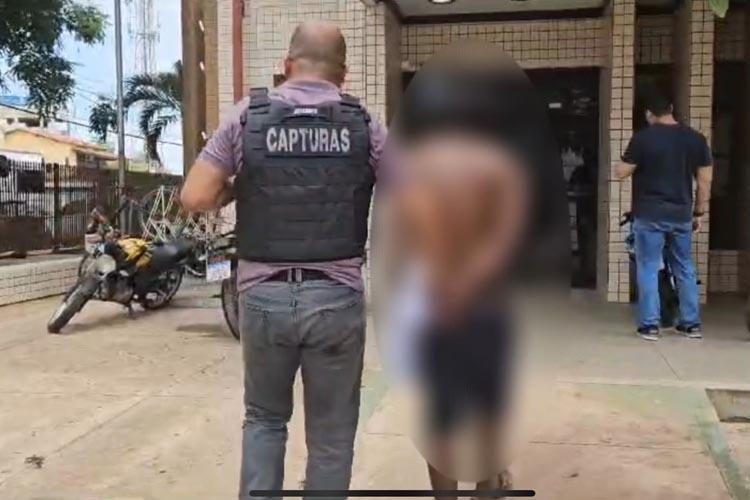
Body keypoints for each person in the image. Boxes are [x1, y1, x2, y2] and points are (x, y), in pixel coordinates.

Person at [180, 21, 386, 500]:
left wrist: (239, 187)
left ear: (287, 65)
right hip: (336, 298)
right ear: (343, 74)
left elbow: (194, 196)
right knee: (331, 438)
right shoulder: (364, 124)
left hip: (263, 298)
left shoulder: (246, 118)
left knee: (264, 421)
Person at [376, 42, 569, 500]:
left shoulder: (413, 168)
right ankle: (488, 485)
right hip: (486, 303)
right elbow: (511, 242)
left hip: (433, 301)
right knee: (488, 412)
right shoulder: (500, 166)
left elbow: (396, 243)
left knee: (440, 417)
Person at [616, 96, 713, 341]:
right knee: (685, 266)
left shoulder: (643, 138)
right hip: (681, 214)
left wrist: (636, 161)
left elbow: (621, 172)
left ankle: (650, 325)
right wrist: (698, 212)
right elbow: (705, 180)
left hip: (649, 214)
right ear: (671, 109)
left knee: (648, 267)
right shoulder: (696, 139)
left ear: (649, 113)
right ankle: (691, 324)